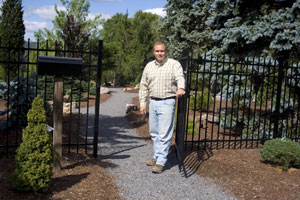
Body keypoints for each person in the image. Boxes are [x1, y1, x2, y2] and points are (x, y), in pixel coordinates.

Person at [139, 41, 185, 174]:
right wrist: (143, 103)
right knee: (154, 132)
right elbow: (143, 85)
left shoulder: (174, 64)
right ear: (154, 52)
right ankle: (157, 155)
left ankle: (161, 161)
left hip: (167, 101)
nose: (160, 53)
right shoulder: (149, 66)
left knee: (164, 133)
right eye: (157, 51)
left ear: (166, 51)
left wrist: (181, 87)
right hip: (153, 101)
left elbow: (179, 77)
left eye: (162, 51)